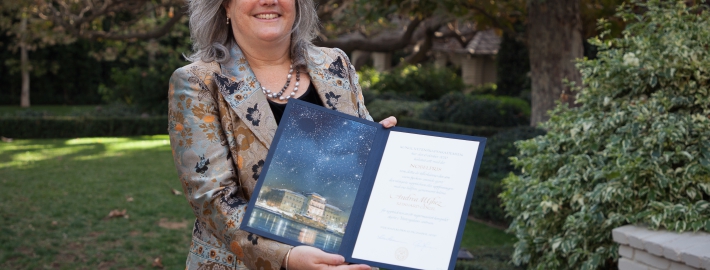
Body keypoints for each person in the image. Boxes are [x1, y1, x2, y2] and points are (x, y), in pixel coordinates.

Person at [167, 0, 397, 269]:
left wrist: (383, 146)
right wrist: (286, 257)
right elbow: (213, 200)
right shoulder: (197, 82)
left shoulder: (336, 63)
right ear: (225, 7)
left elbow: (362, 172)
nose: (269, 1)